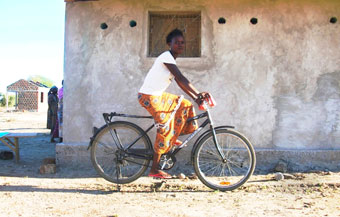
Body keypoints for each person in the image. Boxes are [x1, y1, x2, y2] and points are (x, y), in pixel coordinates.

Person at [138, 29, 211, 179]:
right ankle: (154, 169)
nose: (180, 45)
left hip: (157, 96)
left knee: (184, 104)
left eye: (182, 42)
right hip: (148, 97)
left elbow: (181, 82)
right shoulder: (166, 56)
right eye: (176, 42)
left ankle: (172, 137)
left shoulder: (171, 59)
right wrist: (197, 94)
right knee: (164, 127)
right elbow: (180, 78)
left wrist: (196, 98)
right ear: (169, 44)